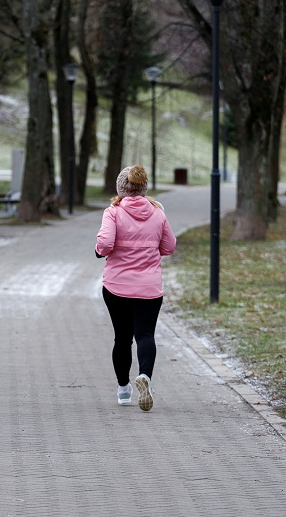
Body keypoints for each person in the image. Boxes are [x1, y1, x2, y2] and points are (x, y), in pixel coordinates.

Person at [95, 165, 176, 411]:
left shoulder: (113, 212)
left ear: (121, 188)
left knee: (122, 338)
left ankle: (123, 390)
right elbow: (169, 246)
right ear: (143, 188)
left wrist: (100, 250)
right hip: (149, 288)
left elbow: (106, 243)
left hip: (117, 286)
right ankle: (145, 377)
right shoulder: (158, 213)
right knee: (145, 335)